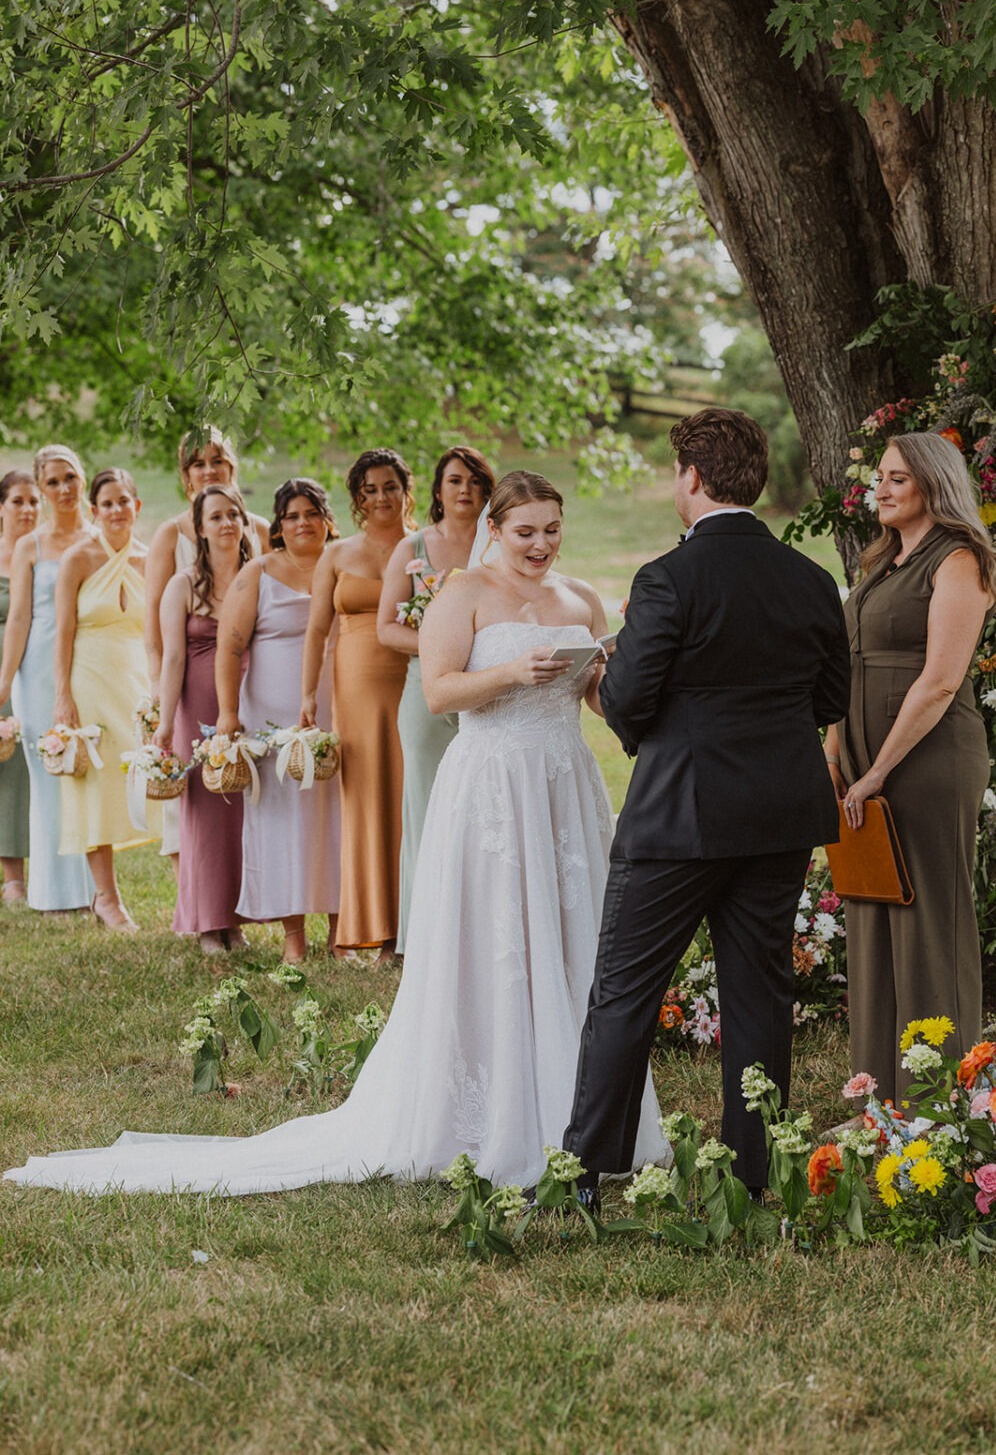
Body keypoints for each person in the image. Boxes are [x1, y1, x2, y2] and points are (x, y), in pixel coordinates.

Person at [3, 470, 665, 1194]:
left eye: (552, 530)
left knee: (572, 937)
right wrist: (512, 671)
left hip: (562, 784)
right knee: (497, 936)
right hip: (494, 786)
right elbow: (442, 690)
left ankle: (583, 1108)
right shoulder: (465, 593)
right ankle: (495, 1107)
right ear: (496, 532)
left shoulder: (578, 598)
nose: (541, 545)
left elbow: (597, 698)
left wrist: (623, 662)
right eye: (525, 531)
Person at [562, 409, 851, 1210]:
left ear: (691, 477)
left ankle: (585, 1174)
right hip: (782, 815)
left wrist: (611, 684)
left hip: (678, 818)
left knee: (625, 991)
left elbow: (625, 700)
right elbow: (830, 697)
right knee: (760, 993)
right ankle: (757, 1174)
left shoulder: (667, 579)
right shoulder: (811, 578)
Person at [824, 432, 996, 1106]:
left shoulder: (958, 559)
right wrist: (837, 753)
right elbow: (847, 666)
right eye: (881, 478)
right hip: (863, 758)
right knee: (871, 907)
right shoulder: (882, 564)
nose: (883, 489)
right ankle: (879, 1094)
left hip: (926, 760)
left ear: (933, 482)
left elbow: (938, 682)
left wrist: (877, 773)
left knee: (929, 915)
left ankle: (939, 1097)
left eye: (899, 478)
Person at [376, 446, 495, 953]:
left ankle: (480, 934)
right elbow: (385, 628)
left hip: (489, 694)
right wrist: (438, 645)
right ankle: (423, 941)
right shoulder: (413, 548)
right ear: (438, 490)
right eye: (453, 480)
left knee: (484, 810)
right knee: (425, 809)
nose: (464, 488)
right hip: (427, 696)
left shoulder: (500, 547)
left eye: (473, 480)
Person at [216, 478, 341, 965]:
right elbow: (229, 647)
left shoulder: (342, 561)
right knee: (283, 819)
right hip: (272, 717)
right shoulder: (258, 572)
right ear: (278, 526)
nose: (303, 523)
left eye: (312, 513)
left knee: (336, 816)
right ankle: (293, 936)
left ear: (327, 520)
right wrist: (228, 712)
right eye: (291, 516)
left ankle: (340, 930)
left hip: (335, 710)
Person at [301, 449, 411, 959]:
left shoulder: (422, 547)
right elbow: (317, 629)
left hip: (413, 677)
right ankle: (377, 928)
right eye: (370, 489)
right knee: (367, 799)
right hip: (356, 687)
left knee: (409, 795)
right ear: (357, 499)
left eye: (390, 486)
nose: (381, 497)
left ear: (405, 490)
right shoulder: (337, 554)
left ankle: (411, 927)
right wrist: (307, 694)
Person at [145, 429, 269, 873]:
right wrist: (161, 702)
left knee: (250, 789)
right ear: (185, 475)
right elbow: (157, 634)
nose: (208, 469)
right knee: (197, 793)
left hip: (251, 681)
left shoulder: (259, 531)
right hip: (188, 678)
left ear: (232, 467)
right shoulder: (170, 535)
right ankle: (198, 901)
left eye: (217, 460)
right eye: (198, 463)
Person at [55, 467, 156, 931]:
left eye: (124, 501)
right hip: (88, 679)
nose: (117, 511)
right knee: (96, 782)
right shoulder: (78, 558)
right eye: (107, 504)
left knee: (146, 779)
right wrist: (62, 696)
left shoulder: (149, 559)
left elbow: (157, 635)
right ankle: (106, 898)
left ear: (137, 506)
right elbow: (62, 634)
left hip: (135, 680)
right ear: (94, 512)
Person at [153, 485, 253, 954]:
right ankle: (208, 923)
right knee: (203, 814)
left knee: (241, 813)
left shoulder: (256, 577)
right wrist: (165, 722)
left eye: (234, 514)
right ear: (200, 529)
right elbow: (173, 657)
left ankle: (236, 920)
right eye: (216, 517)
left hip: (248, 698)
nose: (227, 523)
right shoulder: (183, 585)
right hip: (196, 703)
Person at [0, 446, 94, 913]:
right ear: (41, 488)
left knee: (88, 772)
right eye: (52, 482)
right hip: (37, 670)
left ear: (83, 479)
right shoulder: (29, 547)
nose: (63, 489)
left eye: (70, 478)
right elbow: (18, 619)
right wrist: (3, 685)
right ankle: (54, 893)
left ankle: (95, 889)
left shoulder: (99, 537)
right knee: (48, 772)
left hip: (92, 663)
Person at [0, 469, 39, 903]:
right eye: (18, 502)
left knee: (28, 763)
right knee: (4, 764)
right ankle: (12, 876)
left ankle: (39, 867)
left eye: (33, 501)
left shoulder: (42, 553)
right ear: (1, 507)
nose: (27, 510)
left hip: (37, 662)